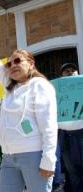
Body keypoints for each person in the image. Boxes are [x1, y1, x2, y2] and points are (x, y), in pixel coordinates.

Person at [0, 25, 58, 192]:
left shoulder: (41, 86)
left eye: (17, 61)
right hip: (8, 157)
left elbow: (49, 126)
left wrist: (48, 160)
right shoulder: (10, 86)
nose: (12, 66)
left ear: (31, 63)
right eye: (9, 64)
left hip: (34, 155)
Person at [59, 63, 83, 191]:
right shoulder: (57, 92)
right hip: (64, 135)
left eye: (72, 70)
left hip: (81, 133)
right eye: (66, 71)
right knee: (72, 171)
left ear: (77, 73)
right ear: (61, 76)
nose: (69, 72)